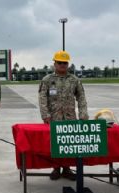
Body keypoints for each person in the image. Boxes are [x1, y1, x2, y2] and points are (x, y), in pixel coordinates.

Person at [38, 50, 89, 180]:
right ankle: (56, 168)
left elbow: (81, 98)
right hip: (54, 118)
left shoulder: (74, 80)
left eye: (65, 63)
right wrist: (45, 114)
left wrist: (83, 115)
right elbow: (43, 98)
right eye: (60, 62)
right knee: (55, 145)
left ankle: (66, 169)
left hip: (70, 117)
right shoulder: (47, 80)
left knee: (69, 145)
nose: (62, 65)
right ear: (54, 63)